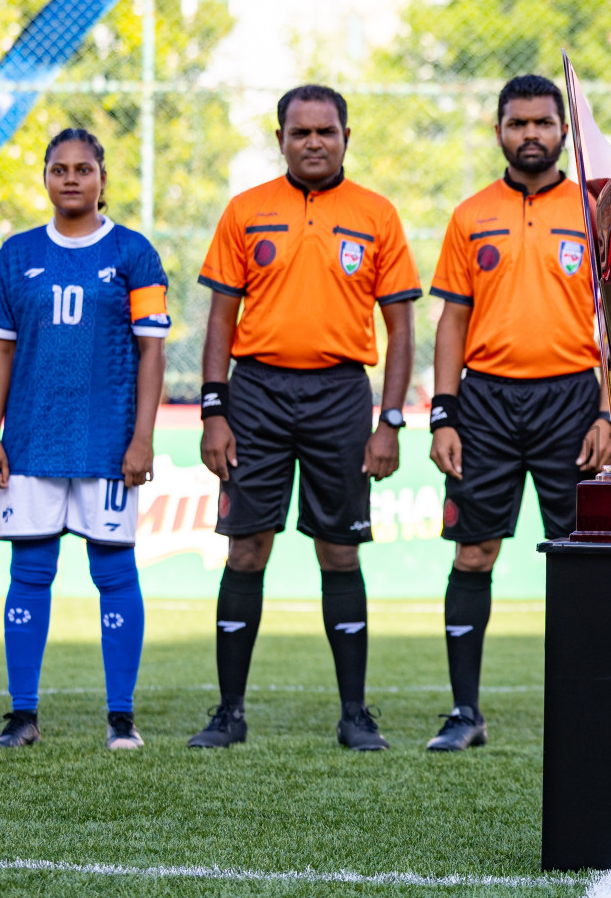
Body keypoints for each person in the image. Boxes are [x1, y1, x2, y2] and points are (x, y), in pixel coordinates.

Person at [187, 85, 422, 751]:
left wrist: (391, 421)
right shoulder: (246, 210)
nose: (313, 142)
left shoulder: (376, 214)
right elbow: (219, 320)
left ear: (347, 135)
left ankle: (355, 715)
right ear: (281, 138)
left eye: (325, 131)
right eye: (299, 132)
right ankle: (229, 713)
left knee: (339, 549)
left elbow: (401, 329)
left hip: (342, 394)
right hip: (255, 391)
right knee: (246, 547)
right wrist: (213, 409)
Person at [425, 74, 611, 752]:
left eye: (542, 122)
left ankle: (590, 705)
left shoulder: (597, 208)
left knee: (580, 559)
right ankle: (463, 711)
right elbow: (452, 319)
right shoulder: (471, 214)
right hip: (486, 403)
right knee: (474, 554)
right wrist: (444, 414)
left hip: (572, 400)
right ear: (499, 130)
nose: (530, 133)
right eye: (518, 123)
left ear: (563, 130)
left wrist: (607, 412)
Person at [0, 128, 169, 750]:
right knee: (30, 571)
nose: (70, 178)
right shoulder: (16, 254)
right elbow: (1, 353)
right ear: (44, 177)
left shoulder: (134, 253)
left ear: (102, 179)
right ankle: (22, 715)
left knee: (114, 571)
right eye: (58, 169)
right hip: (33, 440)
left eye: (83, 169)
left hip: (107, 442)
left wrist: (141, 437)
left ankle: (121, 717)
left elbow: (151, 352)